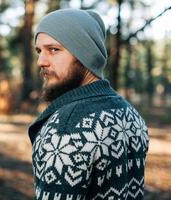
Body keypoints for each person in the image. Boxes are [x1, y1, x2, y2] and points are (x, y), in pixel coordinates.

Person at [28, 8, 149, 200]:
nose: (40, 61)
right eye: (39, 51)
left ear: (83, 53)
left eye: (53, 50)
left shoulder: (66, 128)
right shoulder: (129, 113)